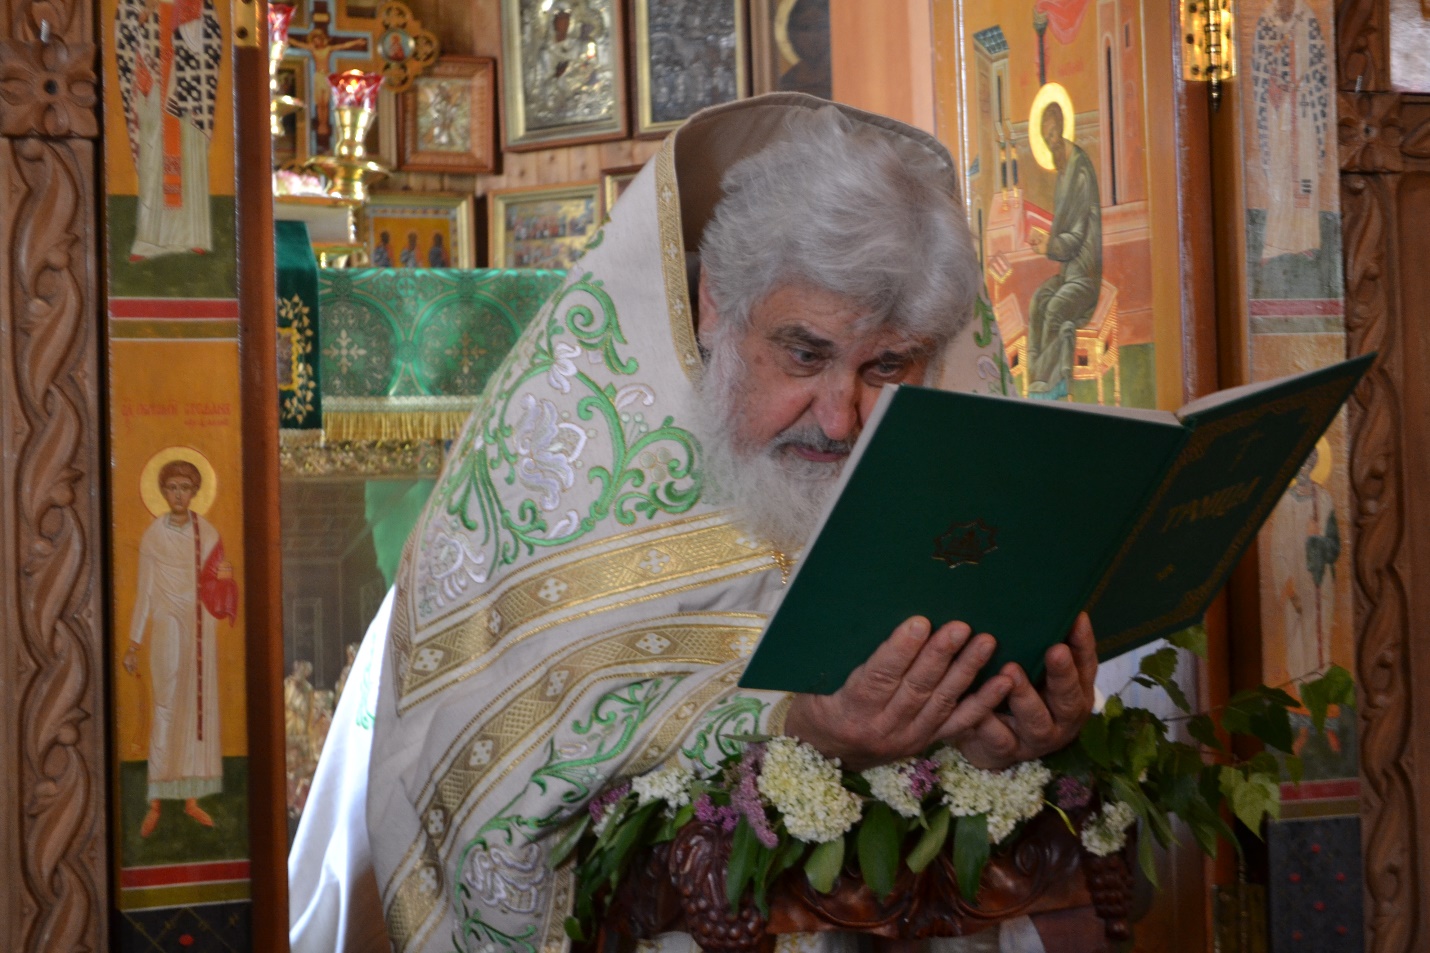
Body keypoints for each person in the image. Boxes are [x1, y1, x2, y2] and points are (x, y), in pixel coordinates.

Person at [290, 95, 1097, 953]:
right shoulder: (565, 453)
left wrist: (1006, 732)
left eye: (886, 366)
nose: (841, 418)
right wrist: (792, 727)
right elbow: (480, 772)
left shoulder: (935, 441)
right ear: (716, 303)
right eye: (805, 354)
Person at [124, 458, 238, 837]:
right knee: (166, 704)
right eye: (171, 487)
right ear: (162, 491)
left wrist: (225, 581)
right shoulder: (153, 536)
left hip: (199, 627)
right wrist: (134, 642)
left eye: (184, 488)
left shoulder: (208, 533)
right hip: (166, 624)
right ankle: (156, 801)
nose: (178, 494)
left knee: (196, 707)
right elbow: (144, 592)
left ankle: (190, 800)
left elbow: (218, 588)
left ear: (194, 492)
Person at [115, 0, 223, 260]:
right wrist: (142, 20)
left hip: (186, 91)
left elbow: (211, 40)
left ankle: (192, 236)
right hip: (151, 86)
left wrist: (187, 26)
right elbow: (124, 29)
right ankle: (149, 239)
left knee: (188, 157)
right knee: (153, 159)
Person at [1025, 100, 1102, 401]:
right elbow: (1063, 226)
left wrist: (1049, 246)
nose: (1051, 141)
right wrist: (1045, 238)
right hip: (1069, 273)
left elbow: (1077, 236)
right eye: (1046, 138)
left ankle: (1049, 388)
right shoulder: (1064, 169)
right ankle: (1035, 381)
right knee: (1038, 301)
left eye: (1053, 134)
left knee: (1055, 309)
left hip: (1085, 278)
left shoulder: (1079, 171)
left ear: (1062, 128)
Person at [1251, 0, 1330, 262]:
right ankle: (1276, 243)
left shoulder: (1308, 18)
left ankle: (1305, 240)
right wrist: (1274, 88)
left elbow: (1319, 66)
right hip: (1278, 111)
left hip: (1304, 107)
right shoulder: (1266, 20)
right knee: (1280, 171)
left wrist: (1304, 87)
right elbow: (1259, 68)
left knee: (1305, 170)